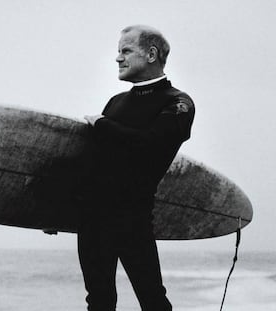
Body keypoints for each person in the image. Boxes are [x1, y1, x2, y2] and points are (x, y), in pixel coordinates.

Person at [79, 25, 195, 311]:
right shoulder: (116, 102)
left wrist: (102, 124)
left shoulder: (178, 103)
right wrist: (52, 211)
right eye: (119, 51)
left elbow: (151, 145)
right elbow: (92, 165)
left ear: (151, 54)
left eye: (126, 50)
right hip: (92, 219)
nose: (118, 58)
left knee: (153, 300)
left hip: (133, 219)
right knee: (99, 302)